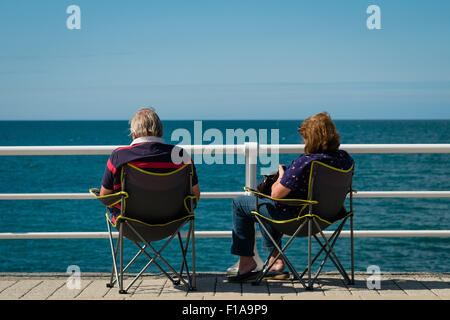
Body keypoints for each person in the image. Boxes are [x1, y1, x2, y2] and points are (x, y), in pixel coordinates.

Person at [229, 112, 354, 282]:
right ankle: (276, 262)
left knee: (241, 203)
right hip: (328, 216)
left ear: (311, 138)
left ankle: (246, 264)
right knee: (267, 204)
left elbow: (276, 194)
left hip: (298, 220)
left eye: (304, 137)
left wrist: (281, 174)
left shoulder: (306, 162)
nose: (303, 141)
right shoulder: (345, 159)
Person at [100, 108, 200, 223]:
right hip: (172, 223)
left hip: (129, 223)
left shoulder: (119, 156)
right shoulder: (182, 156)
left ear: (133, 134)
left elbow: (105, 196)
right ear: (160, 132)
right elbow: (195, 195)